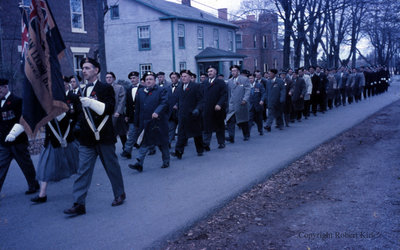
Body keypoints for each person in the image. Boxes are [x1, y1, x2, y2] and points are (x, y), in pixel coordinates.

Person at [64, 58, 126, 216]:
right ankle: (79, 203)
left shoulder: (105, 87)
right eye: (82, 68)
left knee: (111, 167)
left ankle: (119, 193)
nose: (84, 71)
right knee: (82, 170)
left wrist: (91, 103)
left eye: (87, 68)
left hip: (104, 134)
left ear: (96, 70)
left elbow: (110, 108)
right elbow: (78, 114)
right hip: (87, 137)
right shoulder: (79, 90)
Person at [0, 78, 39, 195]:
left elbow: (22, 120)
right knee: (1, 166)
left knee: (26, 165)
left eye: (0, 89)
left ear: (5, 87)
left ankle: (33, 184)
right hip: (4, 142)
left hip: (18, 141)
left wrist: (13, 133)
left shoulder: (17, 101)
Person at [31, 111, 79, 203]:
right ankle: (42, 194)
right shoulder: (45, 108)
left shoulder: (70, 100)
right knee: (45, 168)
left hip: (69, 142)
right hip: (52, 143)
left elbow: (78, 115)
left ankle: (81, 189)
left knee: (78, 166)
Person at [128, 72, 170, 172]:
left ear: (154, 81)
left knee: (161, 143)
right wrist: (137, 122)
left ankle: (166, 160)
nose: (148, 81)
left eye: (151, 79)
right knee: (144, 142)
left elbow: (164, 103)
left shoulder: (161, 90)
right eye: (147, 79)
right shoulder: (141, 92)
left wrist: (157, 112)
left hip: (158, 122)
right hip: (145, 122)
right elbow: (137, 108)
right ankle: (139, 163)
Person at [171, 70, 204, 159]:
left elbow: (201, 100)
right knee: (181, 134)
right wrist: (175, 105)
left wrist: (197, 109)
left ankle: (200, 150)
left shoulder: (196, 86)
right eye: (182, 76)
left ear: (190, 77)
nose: (183, 78)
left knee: (196, 134)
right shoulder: (179, 87)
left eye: (185, 76)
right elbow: (176, 99)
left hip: (193, 115)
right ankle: (178, 152)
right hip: (182, 114)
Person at [202, 66, 228, 150]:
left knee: (219, 126)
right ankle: (206, 144)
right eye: (208, 71)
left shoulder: (220, 82)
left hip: (218, 109)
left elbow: (224, 94)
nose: (209, 73)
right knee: (207, 127)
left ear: (215, 72)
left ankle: (221, 142)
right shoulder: (204, 83)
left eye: (211, 71)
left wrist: (219, 104)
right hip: (207, 108)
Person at [226, 65, 251, 142]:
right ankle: (231, 137)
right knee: (230, 120)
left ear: (238, 71)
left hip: (241, 103)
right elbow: (229, 93)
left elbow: (248, 90)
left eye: (235, 70)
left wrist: (245, 99)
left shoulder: (244, 79)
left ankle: (246, 135)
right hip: (232, 104)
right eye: (232, 71)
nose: (233, 72)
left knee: (243, 121)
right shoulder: (229, 81)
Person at [121, 71, 141, 159]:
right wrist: (126, 115)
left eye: (134, 78)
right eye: (131, 78)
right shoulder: (128, 90)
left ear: (138, 78)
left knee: (145, 133)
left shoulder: (143, 88)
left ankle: (152, 148)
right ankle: (127, 151)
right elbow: (128, 104)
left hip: (142, 115)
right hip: (132, 116)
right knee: (132, 133)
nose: (132, 80)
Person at [105, 72, 128, 150]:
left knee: (122, 133)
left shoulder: (119, 87)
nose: (109, 79)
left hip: (118, 113)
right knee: (111, 133)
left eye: (110, 77)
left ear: (114, 78)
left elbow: (122, 100)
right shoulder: (104, 88)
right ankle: (111, 150)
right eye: (107, 77)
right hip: (108, 114)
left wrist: (118, 111)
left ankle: (126, 149)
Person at [168, 72, 180, 146]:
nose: (173, 79)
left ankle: (182, 142)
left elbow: (184, 98)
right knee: (171, 128)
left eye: (174, 77)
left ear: (178, 78)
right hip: (171, 112)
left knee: (182, 128)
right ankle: (168, 142)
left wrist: (178, 105)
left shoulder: (182, 86)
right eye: (171, 78)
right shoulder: (168, 87)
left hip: (180, 111)